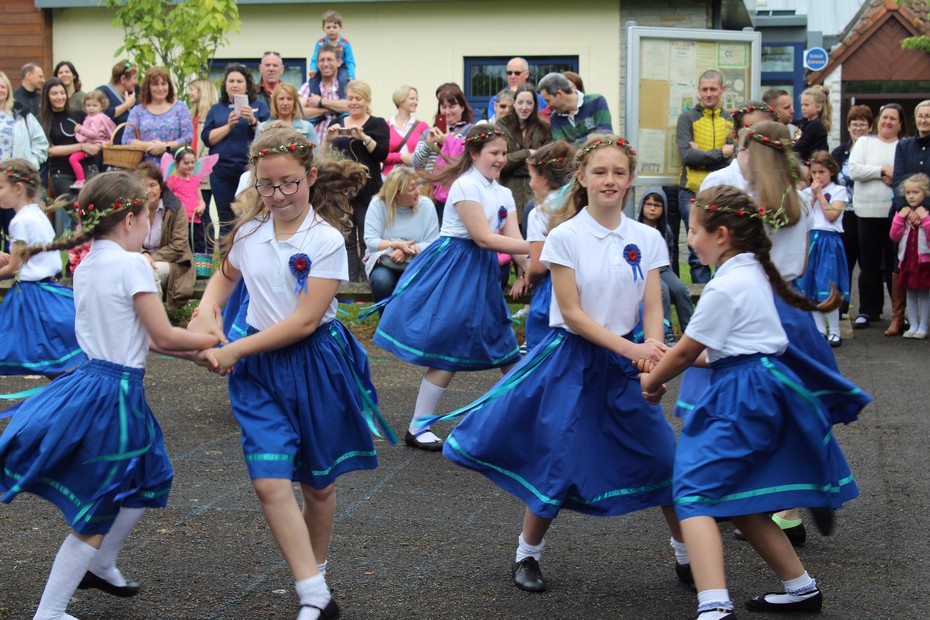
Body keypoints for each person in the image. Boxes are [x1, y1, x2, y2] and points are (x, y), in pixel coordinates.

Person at [418, 134, 688, 595]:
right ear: (581, 177)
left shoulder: (646, 237)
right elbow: (575, 314)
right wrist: (635, 352)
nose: (609, 180)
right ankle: (528, 553)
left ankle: (687, 555)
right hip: (575, 362)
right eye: (599, 172)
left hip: (625, 362)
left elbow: (653, 305)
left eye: (618, 173)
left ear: (631, 180)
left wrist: (655, 351)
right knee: (557, 460)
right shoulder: (564, 236)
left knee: (664, 458)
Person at [188, 127, 390, 620]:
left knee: (318, 485)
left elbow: (303, 321)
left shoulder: (324, 239)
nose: (277, 196)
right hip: (259, 372)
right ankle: (314, 594)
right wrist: (208, 310)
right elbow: (224, 276)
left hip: (313, 364)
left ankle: (315, 574)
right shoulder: (250, 231)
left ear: (311, 176)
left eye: (288, 184)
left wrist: (233, 350)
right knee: (269, 480)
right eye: (266, 185)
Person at [640, 184, 866, 620]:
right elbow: (726, 349)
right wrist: (663, 357)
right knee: (739, 497)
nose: (690, 238)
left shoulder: (725, 287)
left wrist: (652, 383)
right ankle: (801, 590)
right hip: (760, 387)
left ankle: (714, 605)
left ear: (721, 234)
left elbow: (687, 352)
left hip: (739, 397)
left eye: (695, 230)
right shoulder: (752, 274)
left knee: (692, 491)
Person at [0, 170, 219, 620]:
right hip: (113, 394)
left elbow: (147, 339)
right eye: (146, 217)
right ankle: (51, 610)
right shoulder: (132, 264)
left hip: (94, 382)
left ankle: (99, 563)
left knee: (151, 475)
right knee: (103, 500)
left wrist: (197, 354)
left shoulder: (88, 265)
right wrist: (212, 338)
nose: (149, 226)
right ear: (128, 220)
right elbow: (162, 332)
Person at [367, 125, 529, 451]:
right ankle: (418, 425)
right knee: (451, 348)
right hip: (457, 269)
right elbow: (483, 237)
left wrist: (532, 268)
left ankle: (532, 418)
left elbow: (514, 241)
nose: (500, 159)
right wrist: (539, 247)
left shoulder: (504, 193)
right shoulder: (466, 186)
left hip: (480, 272)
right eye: (493, 153)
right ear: (474, 154)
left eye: (503, 153)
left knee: (505, 347)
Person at [0, 159, 84, 376]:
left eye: (1, 187)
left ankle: (70, 395)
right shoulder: (37, 213)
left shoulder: (19, 221)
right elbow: (29, 257)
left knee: (36, 353)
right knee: (49, 355)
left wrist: (8, 265)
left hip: (30, 297)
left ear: (18, 188)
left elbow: (14, 269)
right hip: (47, 291)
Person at [510, 141, 574, 352]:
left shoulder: (541, 213)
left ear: (544, 179)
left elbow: (537, 267)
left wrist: (528, 278)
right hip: (581, 284)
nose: (530, 184)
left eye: (532, 177)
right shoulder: (579, 203)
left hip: (553, 287)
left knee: (544, 353)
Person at [323, 80, 389, 281]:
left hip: (368, 189)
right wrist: (328, 139)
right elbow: (326, 158)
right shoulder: (339, 123)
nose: (354, 103)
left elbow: (382, 155)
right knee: (347, 239)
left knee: (366, 239)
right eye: (350, 98)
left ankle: (367, 282)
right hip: (342, 190)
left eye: (358, 99)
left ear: (367, 101)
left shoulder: (377, 124)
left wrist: (364, 137)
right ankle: (351, 283)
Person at [848, 103, 905, 329]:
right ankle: (867, 311)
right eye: (884, 118)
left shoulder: (903, 145)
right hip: (866, 211)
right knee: (869, 265)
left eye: (893, 118)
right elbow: (854, 171)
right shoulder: (864, 142)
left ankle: (899, 313)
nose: (888, 122)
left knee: (894, 265)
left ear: (900, 124)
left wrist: (896, 178)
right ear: (878, 121)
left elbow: (907, 176)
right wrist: (882, 170)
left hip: (895, 214)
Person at [676, 69, 734, 285]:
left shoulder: (730, 120)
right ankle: (701, 304)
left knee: (725, 248)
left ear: (723, 90)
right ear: (698, 90)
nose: (708, 94)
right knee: (697, 251)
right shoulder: (687, 118)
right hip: (692, 192)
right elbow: (687, 156)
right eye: (704, 89)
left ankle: (722, 297)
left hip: (723, 194)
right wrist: (721, 153)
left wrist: (703, 156)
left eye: (713, 89)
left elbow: (734, 159)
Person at [202, 63, 270, 238]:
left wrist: (253, 121)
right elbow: (207, 138)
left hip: (250, 172)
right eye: (231, 81)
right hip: (222, 173)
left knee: (251, 219)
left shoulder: (259, 106)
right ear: (225, 85)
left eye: (239, 81)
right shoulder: (217, 109)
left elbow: (269, 135)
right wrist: (228, 126)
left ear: (247, 84)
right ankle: (226, 263)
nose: (235, 85)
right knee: (226, 221)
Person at [362, 166, 439, 301]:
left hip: (417, 261)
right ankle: (386, 319)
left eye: (417, 186)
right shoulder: (378, 205)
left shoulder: (426, 205)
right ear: (397, 194)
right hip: (384, 262)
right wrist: (396, 245)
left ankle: (410, 320)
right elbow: (371, 241)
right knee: (382, 282)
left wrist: (409, 250)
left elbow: (433, 241)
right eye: (411, 189)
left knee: (418, 284)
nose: (418, 192)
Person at [797, 151, 849, 346]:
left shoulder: (839, 191)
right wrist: (811, 197)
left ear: (831, 172)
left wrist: (819, 195)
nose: (817, 176)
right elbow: (804, 216)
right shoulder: (806, 192)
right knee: (810, 285)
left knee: (828, 284)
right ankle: (819, 330)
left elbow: (832, 215)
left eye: (822, 172)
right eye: (814, 172)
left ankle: (834, 330)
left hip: (828, 241)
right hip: (811, 239)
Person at [889, 100, 930, 334]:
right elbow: (898, 180)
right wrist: (907, 208)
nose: (924, 120)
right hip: (904, 215)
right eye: (921, 116)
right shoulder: (904, 146)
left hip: (928, 217)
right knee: (902, 269)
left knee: (925, 278)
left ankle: (923, 323)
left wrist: (923, 208)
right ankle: (901, 317)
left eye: (928, 116)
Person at [135, 161, 196, 309]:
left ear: (161, 187)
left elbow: (178, 246)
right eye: (143, 186)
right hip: (140, 260)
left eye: (152, 185)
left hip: (175, 263)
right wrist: (143, 254)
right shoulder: (134, 210)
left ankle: (156, 325)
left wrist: (150, 259)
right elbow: (128, 239)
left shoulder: (175, 209)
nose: (148, 190)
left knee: (149, 272)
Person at [637, 187, 693, 345]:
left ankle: (690, 331)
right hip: (643, 271)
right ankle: (665, 332)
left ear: (664, 208)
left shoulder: (666, 230)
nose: (652, 208)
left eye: (657, 205)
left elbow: (671, 255)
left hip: (663, 269)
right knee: (662, 290)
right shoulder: (635, 229)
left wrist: (673, 276)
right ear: (642, 206)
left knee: (681, 289)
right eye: (648, 204)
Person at [832, 104, 874, 315]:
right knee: (845, 262)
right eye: (854, 124)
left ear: (870, 127)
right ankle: (842, 306)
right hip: (845, 213)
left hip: (869, 211)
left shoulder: (874, 151)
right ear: (848, 127)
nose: (858, 128)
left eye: (863, 124)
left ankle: (869, 310)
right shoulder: (840, 152)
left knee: (869, 262)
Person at [411, 84, 474, 222]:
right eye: (443, 107)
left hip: (459, 192)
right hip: (432, 193)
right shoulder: (430, 132)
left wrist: (448, 140)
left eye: (452, 106)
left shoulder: (470, 131)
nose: (447, 111)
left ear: (462, 107)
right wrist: (428, 144)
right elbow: (416, 162)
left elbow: (467, 160)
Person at [0, 70, 48, 250]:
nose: (0, 90)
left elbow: (41, 143)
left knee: (15, 227)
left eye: (3, 86)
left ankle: (15, 268)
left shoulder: (20, 113)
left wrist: (30, 163)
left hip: (14, 181)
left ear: (8, 89)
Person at [39, 77, 99, 219]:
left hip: (87, 168)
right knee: (77, 214)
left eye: (62, 93)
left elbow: (95, 137)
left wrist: (95, 147)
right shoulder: (42, 120)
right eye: (54, 94)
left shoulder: (79, 114)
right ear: (47, 96)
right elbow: (51, 151)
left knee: (95, 213)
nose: (60, 97)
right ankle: (79, 241)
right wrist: (81, 146)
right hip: (61, 172)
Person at [499, 84, 552, 224]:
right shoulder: (501, 126)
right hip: (508, 193)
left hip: (536, 194)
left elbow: (545, 164)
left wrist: (514, 164)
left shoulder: (543, 128)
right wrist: (526, 153)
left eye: (529, 103)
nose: (524, 107)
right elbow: (501, 163)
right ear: (514, 103)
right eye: (520, 102)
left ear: (535, 105)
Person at [701, 101, 778, 192]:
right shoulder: (718, 182)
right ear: (735, 136)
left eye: (767, 130)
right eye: (752, 129)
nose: (761, 137)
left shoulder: (782, 181)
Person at [123, 67, 193, 165]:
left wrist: (165, 147)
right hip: (145, 171)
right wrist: (149, 146)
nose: (160, 88)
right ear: (148, 87)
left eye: (163, 84)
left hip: (175, 169)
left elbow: (187, 138)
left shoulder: (180, 108)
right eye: (155, 84)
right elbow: (127, 140)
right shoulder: (137, 111)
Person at [890, 173, 930, 339]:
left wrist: (925, 219)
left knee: (924, 294)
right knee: (910, 293)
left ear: (925, 194)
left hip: (924, 261)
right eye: (908, 193)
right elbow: (894, 236)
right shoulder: (903, 212)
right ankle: (913, 325)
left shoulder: (926, 212)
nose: (911, 196)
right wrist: (900, 217)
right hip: (907, 260)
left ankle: (923, 326)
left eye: (916, 192)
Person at [162, 146, 217, 254]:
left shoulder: (194, 179)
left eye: (193, 162)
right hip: (179, 223)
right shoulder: (172, 180)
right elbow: (167, 201)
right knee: (181, 247)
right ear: (177, 163)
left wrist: (202, 206)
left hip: (195, 221)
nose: (190, 166)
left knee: (197, 247)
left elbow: (200, 199)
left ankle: (197, 268)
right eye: (186, 163)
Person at [537, 72, 611, 145]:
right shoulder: (555, 117)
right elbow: (560, 149)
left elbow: (606, 135)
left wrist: (572, 145)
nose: (548, 105)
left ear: (560, 94)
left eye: (548, 100)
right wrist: (589, 138)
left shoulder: (596, 101)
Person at [298, 45, 348, 143]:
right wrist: (332, 108)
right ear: (317, 63)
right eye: (322, 60)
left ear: (339, 62)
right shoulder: (308, 86)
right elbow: (298, 112)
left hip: (341, 146)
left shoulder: (348, 86)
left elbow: (351, 106)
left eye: (329, 59)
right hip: (314, 147)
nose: (325, 64)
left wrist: (320, 102)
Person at [70, 90, 116, 189]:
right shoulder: (94, 117)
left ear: (102, 106)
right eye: (88, 105)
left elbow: (93, 133)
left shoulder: (95, 119)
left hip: (93, 145)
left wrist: (80, 129)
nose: (91, 108)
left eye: (94, 105)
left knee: (73, 158)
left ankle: (80, 180)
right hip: (94, 145)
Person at [382, 85, 429, 179]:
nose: (416, 102)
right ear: (401, 100)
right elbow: (381, 156)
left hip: (416, 180)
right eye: (412, 99)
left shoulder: (423, 126)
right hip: (390, 180)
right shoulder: (385, 126)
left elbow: (429, 153)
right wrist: (401, 157)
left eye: (416, 99)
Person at [187, 78, 219, 215]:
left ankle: (209, 237)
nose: (189, 93)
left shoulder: (210, 118)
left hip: (204, 173)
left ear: (202, 92)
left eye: (192, 89)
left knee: (205, 213)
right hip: (193, 169)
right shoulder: (193, 115)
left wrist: (198, 166)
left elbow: (207, 147)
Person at [308, 10, 356, 85]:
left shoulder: (345, 43)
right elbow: (315, 58)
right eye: (328, 27)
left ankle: (342, 97)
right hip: (325, 65)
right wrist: (313, 69)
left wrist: (351, 75)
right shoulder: (320, 43)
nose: (331, 30)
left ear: (340, 27)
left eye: (334, 27)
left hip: (341, 67)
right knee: (313, 81)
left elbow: (350, 61)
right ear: (323, 28)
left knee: (343, 80)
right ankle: (315, 96)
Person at [96, 60, 139, 143]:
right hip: (111, 149)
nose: (137, 82)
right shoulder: (102, 92)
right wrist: (127, 105)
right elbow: (102, 116)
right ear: (123, 79)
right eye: (134, 78)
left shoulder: (134, 93)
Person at [793, 85, 831, 164]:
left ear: (818, 107)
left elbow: (801, 146)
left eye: (806, 105)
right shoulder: (804, 121)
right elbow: (793, 121)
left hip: (816, 164)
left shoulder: (816, 125)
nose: (803, 108)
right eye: (802, 105)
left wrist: (787, 144)